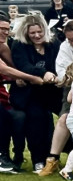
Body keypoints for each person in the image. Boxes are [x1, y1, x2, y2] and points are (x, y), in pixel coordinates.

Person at [9, 14, 61, 172]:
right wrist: (43, 73)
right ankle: (38, 159)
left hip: (52, 90)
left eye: (39, 32)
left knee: (70, 117)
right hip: (29, 93)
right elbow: (23, 66)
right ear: (26, 34)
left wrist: (55, 76)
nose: (37, 35)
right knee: (37, 120)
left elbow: (60, 63)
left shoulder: (54, 44)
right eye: (33, 33)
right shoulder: (19, 45)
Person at [0, 15, 44, 172]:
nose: (5, 33)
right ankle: (2, 155)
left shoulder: (4, 47)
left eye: (7, 29)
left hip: (2, 94)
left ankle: (16, 156)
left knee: (19, 117)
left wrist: (19, 76)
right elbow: (3, 69)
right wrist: (32, 77)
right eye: (1, 29)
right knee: (3, 116)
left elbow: (16, 67)